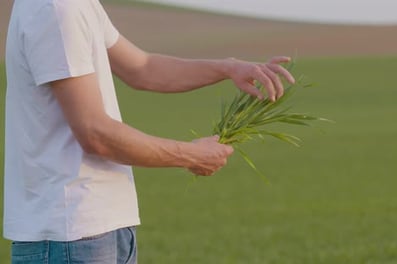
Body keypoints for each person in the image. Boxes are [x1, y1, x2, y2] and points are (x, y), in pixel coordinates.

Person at [3, 0, 295, 263]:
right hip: (69, 234)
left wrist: (228, 68)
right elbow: (95, 133)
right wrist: (191, 155)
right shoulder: (56, 10)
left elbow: (143, 68)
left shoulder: (77, 5)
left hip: (100, 228)